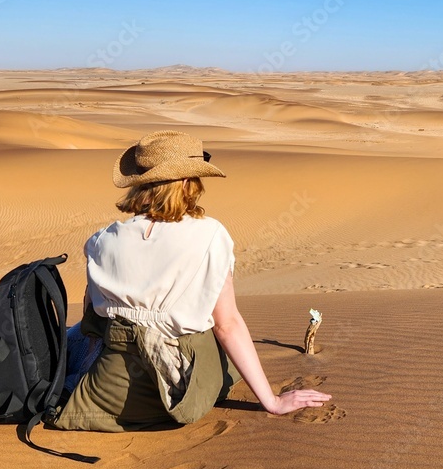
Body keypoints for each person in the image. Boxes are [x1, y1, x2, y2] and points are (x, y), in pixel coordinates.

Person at [48, 130, 331, 432]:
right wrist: (272, 402)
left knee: (78, 333)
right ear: (186, 184)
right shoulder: (210, 235)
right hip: (171, 398)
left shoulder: (101, 241)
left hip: (102, 396)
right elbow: (227, 325)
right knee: (211, 334)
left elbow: (94, 317)